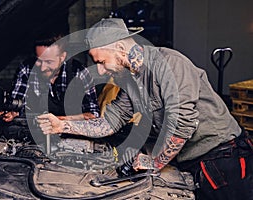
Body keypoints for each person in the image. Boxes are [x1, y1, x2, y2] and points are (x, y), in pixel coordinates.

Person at [36, 18, 253, 200]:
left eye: (101, 61)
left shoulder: (170, 63)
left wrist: (153, 161)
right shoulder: (130, 80)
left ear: (120, 48)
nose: (100, 72)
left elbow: (183, 124)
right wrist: (61, 125)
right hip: (190, 159)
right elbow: (110, 122)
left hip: (223, 157)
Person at [0, 34, 100, 122]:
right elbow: (17, 104)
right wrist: (13, 113)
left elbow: (93, 115)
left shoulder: (80, 73)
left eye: (48, 62)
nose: (42, 68)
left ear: (62, 57)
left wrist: (60, 121)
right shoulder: (26, 70)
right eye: (39, 61)